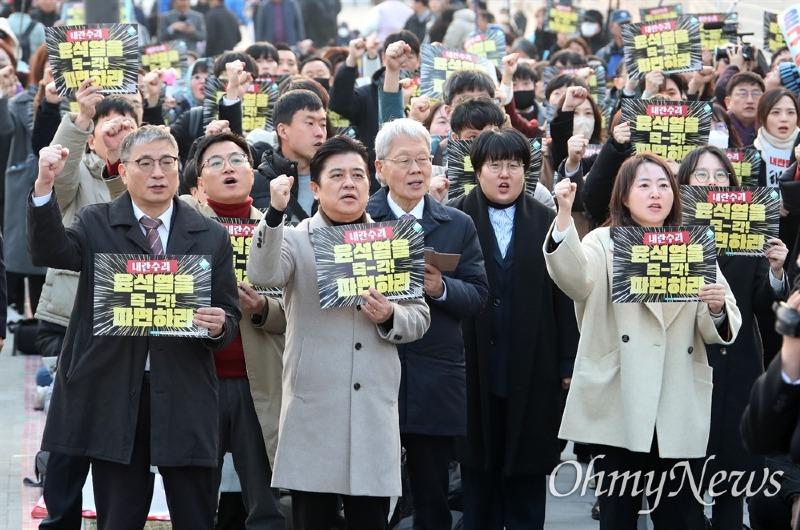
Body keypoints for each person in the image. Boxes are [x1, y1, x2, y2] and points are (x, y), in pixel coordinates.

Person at [28, 125, 241, 529]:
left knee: (195, 514)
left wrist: (218, 325)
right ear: (123, 172)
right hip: (113, 392)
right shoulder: (97, 223)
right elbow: (49, 251)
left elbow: (229, 315)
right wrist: (44, 186)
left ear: (181, 171)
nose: (158, 173)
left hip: (184, 391)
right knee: (119, 516)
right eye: (145, 163)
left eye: (167, 162)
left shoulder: (209, 235)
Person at [545, 153, 741, 530]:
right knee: (618, 515)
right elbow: (575, 279)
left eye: (664, 185)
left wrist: (716, 307)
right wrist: (565, 217)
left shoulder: (692, 244)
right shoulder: (604, 241)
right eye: (644, 185)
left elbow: (721, 317)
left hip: (676, 396)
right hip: (620, 396)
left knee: (680, 516)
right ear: (623, 196)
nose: (656, 194)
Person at [246, 135, 430, 529]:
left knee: (370, 520)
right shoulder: (296, 238)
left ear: (371, 184)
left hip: (372, 411)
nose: (349, 183)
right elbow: (262, 274)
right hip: (314, 411)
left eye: (358, 175)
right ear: (314, 188)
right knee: (313, 518)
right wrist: (275, 213)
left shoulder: (391, 241)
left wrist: (389, 315)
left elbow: (419, 317)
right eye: (338, 176)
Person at [447, 128, 577, 530]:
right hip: (470, 364)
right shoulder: (453, 218)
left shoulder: (546, 221)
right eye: (495, 165)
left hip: (532, 363)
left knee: (525, 476)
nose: (505, 175)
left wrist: (567, 364)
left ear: (527, 171)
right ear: (477, 170)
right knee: (478, 480)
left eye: (514, 166)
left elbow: (566, 296)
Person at [368, 118, 488, 530]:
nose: (417, 169)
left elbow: (477, 296)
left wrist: (440, 288)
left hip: (435, 373)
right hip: (371, 369)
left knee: (432, 492)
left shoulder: (456, 224)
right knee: (370, 493)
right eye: (405, 161)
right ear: (380, 168)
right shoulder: (359, 220)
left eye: (423, 159)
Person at [35, 89, 138, 530]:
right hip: (72, 319)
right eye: (108, 123)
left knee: (117, 435)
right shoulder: (78, 174)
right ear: (91, 138)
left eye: (127, 122)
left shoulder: (146, 179)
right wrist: (79, 118)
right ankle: (60, 520)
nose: (117, 129)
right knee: (69, 438)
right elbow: (59, 185)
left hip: (127, 324)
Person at [676, 146, 788, 529]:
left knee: (734, 465)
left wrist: (775, 271)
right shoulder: (668, 233)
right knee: (684, 465)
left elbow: (762, 302)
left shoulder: (750, 232)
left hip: (739, 359)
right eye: (702, 176)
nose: (712, 183)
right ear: (685, 184)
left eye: (720, 176)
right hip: (687, 356)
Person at [186, 132, 286, 529]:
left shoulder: (275, 228)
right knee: (194, 501)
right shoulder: (180, 227)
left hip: (255, 384)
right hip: (197, 381)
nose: (228, 168)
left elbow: (292, 312)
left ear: (252, 173)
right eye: (215, 162)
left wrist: (262, 308)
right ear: (198, 181)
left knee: (265, 504)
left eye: (237, 160)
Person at [329, 31, 421, 191]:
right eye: (397, 55)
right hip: (375, 183)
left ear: (419, 60)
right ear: (384, 58)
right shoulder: (367, 94)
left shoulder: (428, 94)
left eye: (410, 56)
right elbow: (339, 104)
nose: (403, 61)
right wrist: (351, 60)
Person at [254, 89, 327, 220]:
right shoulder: (256, 183)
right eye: (310, 123)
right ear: (283, 131)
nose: (319, 133)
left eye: (323, 124)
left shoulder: (335, 179)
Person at [754, 87, 800, 187]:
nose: (784, 119)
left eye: (791, 112)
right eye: (775, 112)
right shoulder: (749, 157)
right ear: (762, 117)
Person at [724, 71, 765, 147]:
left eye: (756, 94)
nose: (750, 100)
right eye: (743, 94)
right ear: (728, 102)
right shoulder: (716, 124)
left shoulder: (769, 129)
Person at [596, 9, 631, 80]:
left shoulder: (637, 51)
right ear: (611, 27)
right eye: (621, 24)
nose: (625, 26)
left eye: (628, 23)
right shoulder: (602, 53)